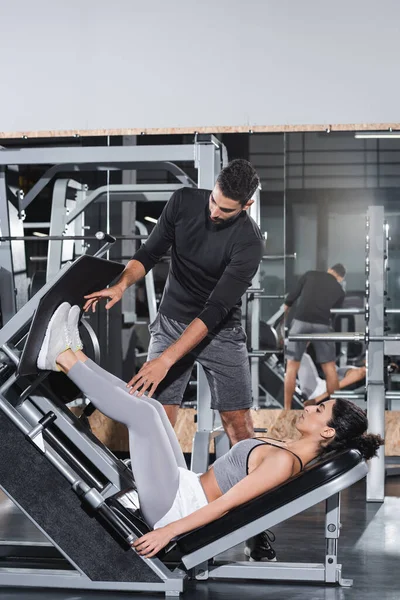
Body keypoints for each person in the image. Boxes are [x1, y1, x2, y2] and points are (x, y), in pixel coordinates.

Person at [37, 302, 383, 558]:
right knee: (153, 408)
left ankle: (64, 358)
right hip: (185, 486)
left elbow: (225, 506)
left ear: (327, 433)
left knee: (141, 419)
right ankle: (72, 353)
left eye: (319, 410)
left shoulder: (284, 463)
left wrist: (167, 533)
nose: (309, 407)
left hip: (177, 507)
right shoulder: (289, 451)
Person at [83, 159, 264, 445]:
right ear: (213, 188)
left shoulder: (249, 242)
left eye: (226, 209)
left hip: (219, 331)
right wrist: (121, 286)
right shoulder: (183, 201)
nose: (214, 212)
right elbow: (149, 253)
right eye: (213, 201)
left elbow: (215, 309)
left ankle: (252, 488)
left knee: (238, 424)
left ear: (247, 205)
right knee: (157, 417)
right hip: (170, 323)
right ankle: (167, 489)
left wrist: (165, 361)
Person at [284, 264, 346, 410]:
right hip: (322, 325)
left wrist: (284, 326)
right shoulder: (340, 290)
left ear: (330, 269)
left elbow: (290, 300)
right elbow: (333, 315)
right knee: (329, 367)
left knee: (292, 367)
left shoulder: (309, 274)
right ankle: (334, 410)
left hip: (300, 322)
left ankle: (286, 409)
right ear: (340, 277)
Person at [298, 353, 366, 405]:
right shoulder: (359, 370)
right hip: (324, 382)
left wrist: (317, 399)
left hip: (320, 391)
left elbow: (362, 372)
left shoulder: (363, 372)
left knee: (301, 355)